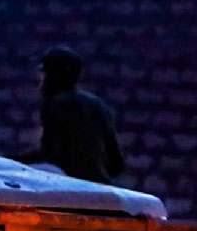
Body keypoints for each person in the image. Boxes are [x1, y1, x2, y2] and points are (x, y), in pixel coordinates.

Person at [17, 46, 124, 185]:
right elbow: (116, 163)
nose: (40, 82)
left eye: (44, 75)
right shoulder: (98, 106)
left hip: (67, 189)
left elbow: (50, 157)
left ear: (52, 77)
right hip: (99, 189)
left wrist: (12, 162)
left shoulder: (56, 105)